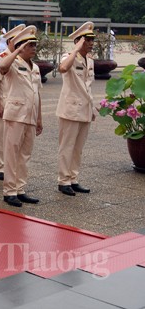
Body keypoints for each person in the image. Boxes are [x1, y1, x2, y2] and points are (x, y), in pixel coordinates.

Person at [0, 26, 42, 207]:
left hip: (30, 116)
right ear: (21, 47)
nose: (34, 48)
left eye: (34, 45)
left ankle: (20, 189)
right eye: (30, 45)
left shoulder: (36, 67)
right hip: (15, 115)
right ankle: (9, 192)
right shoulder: (12, 63)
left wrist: (39, 118)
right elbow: (2, 67)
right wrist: (16, 49)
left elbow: (37, 92)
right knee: (12, 154)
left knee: (25, 154)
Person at [56, 21, 95, 196]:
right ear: (78, 41)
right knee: (67, 146)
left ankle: (73, 178)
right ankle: (63, 181)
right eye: (87, 40)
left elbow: (87, 86)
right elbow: (63, 68)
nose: (91, 43)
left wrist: (92, 108)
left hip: (85, 109)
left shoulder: (90, 60)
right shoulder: (69, 57)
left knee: (78, 148)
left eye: (92, 40)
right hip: (70, 109)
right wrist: (76, 49)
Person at [0, 24, 26, 181]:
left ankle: (10, 166)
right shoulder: (1, 58)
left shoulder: (20, 59)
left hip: (16, 105)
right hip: (3, 102)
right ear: (10, 42)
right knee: (0, 137)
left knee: (13, 140)